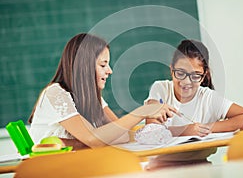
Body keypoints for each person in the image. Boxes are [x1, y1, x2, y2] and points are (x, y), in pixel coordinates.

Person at [28, 33, 178, 150]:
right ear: (84, 67)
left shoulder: (93, 97)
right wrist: (142, 112)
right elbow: (94, 140)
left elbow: (122, 135)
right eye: (103, 65)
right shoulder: (56, 93)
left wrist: (153, 128)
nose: (110, 71)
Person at [144, 39, 243, 170]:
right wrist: (186, 130)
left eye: (195, 76)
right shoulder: (160, 89)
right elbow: (151, 132)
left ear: (203, 76)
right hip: (160, 169)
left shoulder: (208, 97)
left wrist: (206, 128)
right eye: (180, 73)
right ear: (171, 70)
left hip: (201, 167)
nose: (186, 81)